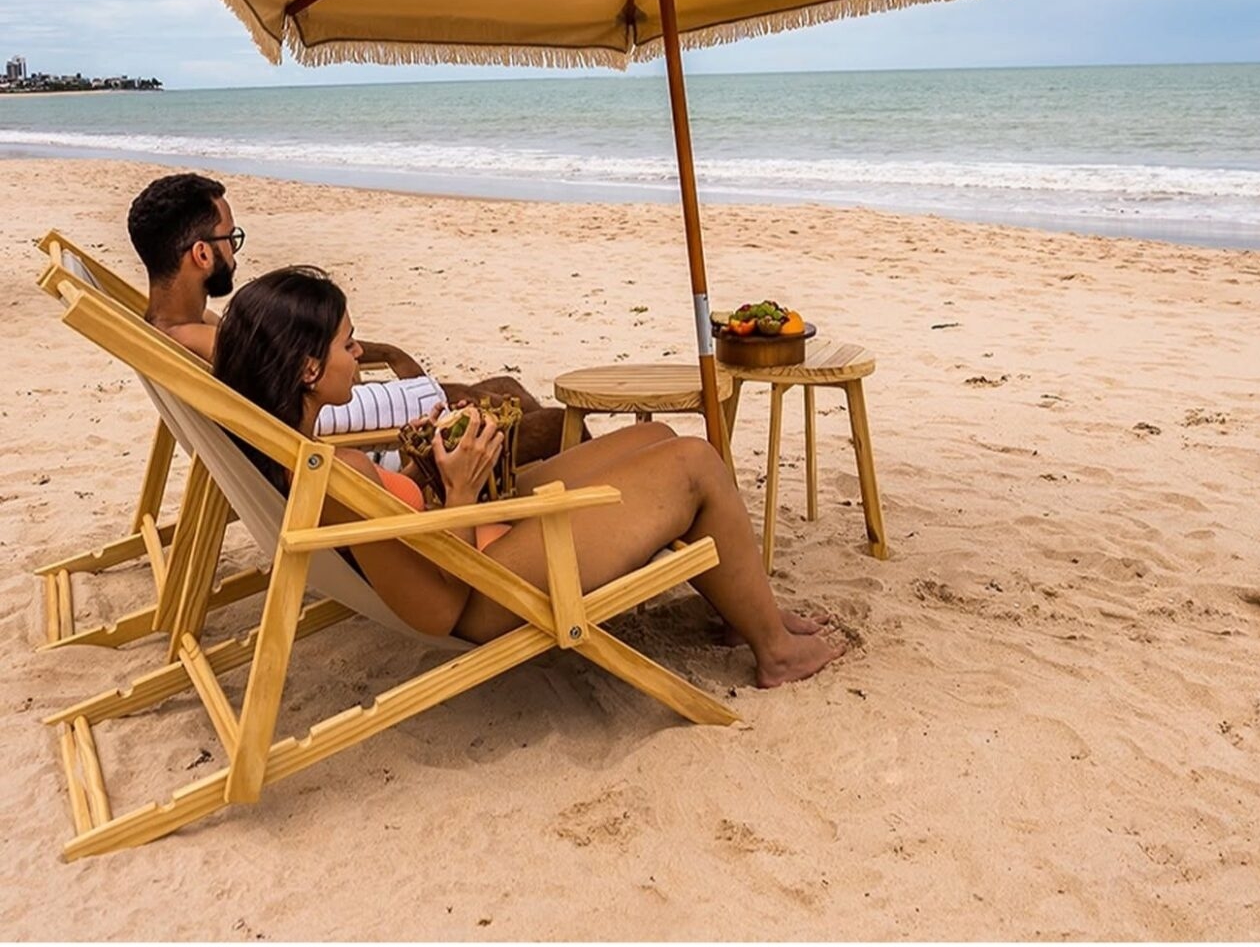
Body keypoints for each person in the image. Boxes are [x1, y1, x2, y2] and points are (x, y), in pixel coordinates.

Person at [212, 266, 845, 688]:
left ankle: (743, 608)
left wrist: (428, 475)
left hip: (478, 543)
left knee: (657, 437)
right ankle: (777, 652)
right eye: (349, 345)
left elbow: (403, 540)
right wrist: (460, 490)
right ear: (305, 368)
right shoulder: (336, 479)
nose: (359, 355)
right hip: (487, 590)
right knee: (694, 463)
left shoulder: (307, 451)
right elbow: (438, 610)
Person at [126, 172, 575, 461]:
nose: (235, 250)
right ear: (202, 253)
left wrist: (385, 354)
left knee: (509, 393)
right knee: (555, 424)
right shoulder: (194, 340)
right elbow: (313, 388)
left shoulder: (175, 327)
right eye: (231, 237)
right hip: (357, 438)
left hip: (344, 423)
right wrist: (388, 364)